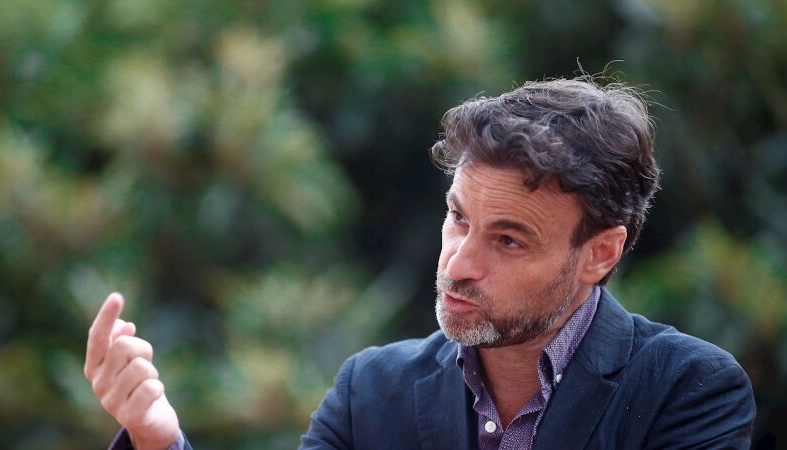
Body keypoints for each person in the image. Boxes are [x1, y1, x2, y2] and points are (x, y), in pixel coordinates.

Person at [85, 77, 756, 450]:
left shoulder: (688, 391)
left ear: (599, 253)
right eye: (457, 217)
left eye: (508, 241)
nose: (459, 263)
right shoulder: (370, 391)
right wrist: (158, 440)